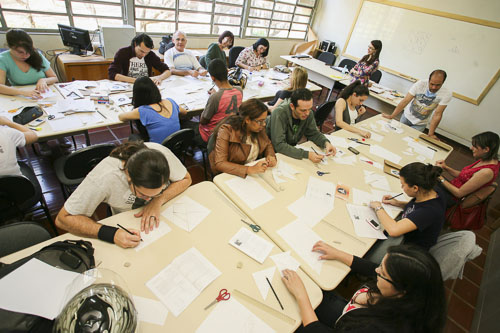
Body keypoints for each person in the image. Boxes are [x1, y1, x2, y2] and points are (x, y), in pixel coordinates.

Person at [55, 141, 192, 249]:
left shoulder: (160, 154)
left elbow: (186, 178)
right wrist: (111, 234)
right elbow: (63, 219)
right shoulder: (104, 177)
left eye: (157, 192)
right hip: (126, 224)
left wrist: (158, 200)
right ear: (128, 176)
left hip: (164, 217)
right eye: (143, 194)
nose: (149, 198)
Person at [282, 243, 446, 333]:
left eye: (382, 272)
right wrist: (339, 254)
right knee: (318, 295)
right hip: (349, 315)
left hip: (347, 324)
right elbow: (371, 267)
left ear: (401, 291)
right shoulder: (415, 292)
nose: (376, 271)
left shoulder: (377, 328)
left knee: (288, 322)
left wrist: (301, 296)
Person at [0, 29, 70, 154]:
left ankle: (61, 135)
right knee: (32, 117)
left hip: (45, 94)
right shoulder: (3, 59)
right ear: (10, 47)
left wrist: (44, 80)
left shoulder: (36, 55)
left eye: (28, 51)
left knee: (56, 111)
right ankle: (42, 140)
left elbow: (54, 78)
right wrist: (23, 93)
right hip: (22, 97)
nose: (26, 55)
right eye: (20, 52)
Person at [369, 162, 446, 250]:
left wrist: (378, 207)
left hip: (408, 247)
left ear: (415, 188)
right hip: (406, 233)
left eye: (403, 184)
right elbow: (416, 208)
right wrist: (398, 203)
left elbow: (394, 230)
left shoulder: (429, 211)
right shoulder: (430, 191)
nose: (402, 187)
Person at [209, 99, 276, 177]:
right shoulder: (227, 130)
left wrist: (270, 155)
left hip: (252, 172)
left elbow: (267, 144)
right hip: (231, 174)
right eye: (260, 121)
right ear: (247, 120)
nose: (264, 124)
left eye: (264, 120)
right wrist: (248, 169)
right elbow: (220, 163)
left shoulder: (258, 127)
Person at [266, 88, 336, 163]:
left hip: (289, 150)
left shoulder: (308, 113)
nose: (307, 113)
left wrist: (326, 143)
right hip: (271, 152)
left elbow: (313, 133)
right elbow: (279, 145)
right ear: (292, 106)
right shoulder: (279, 113)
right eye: (303, 110)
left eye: (309, 109)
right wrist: (306, 155)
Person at [383, 70, 451, 139]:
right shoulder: (420, 84)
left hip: (421, 123)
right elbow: (405, 101)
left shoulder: (446, 93)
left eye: (438, 85)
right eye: (432, 84)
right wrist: (392, 116)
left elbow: (438, 114)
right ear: (429, 80)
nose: (434, 87)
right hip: (406, 117)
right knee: (396, 136)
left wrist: (431, 134)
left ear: (443, 83)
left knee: (410, 141)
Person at [118, 77, 187, 144]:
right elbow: (184, 112)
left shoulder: (142, 110)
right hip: (175, 146)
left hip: (157, 151)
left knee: (133, 137)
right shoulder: (170, 101)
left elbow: (121, 117)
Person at [436, 131, 499, 205]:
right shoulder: (485, 159)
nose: (471, 148)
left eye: (475, 146)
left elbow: (459, 193)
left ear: (486, 149)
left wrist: (439, 177)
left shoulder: (486, 172)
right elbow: (463, 175)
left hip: (452, 198)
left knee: (423, 181)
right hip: (451, 189)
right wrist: (445, 167)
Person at [198, 58, 243, 145]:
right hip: (231, 131)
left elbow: (204, 121)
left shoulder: (215, 97)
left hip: (214, 135)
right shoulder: (239, 90)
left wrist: (214, 96)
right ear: (227, 71)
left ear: (212, 78)